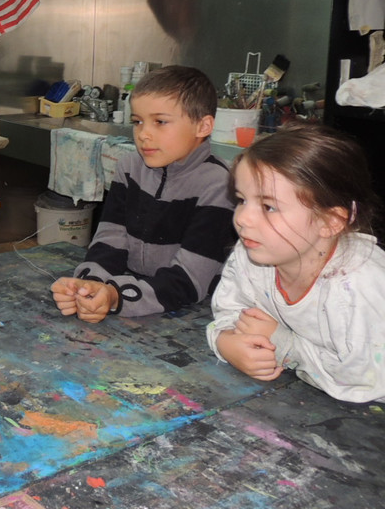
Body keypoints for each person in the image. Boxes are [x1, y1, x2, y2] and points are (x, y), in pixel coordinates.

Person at [207, 124, 385, 403]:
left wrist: (286, 346)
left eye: (268, 206)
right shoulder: (254, 251)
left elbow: (366, 381)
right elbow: (230, 309)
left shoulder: (359, 286)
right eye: (242, 200)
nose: (242, 218)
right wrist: (225, 341)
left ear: (330, 221)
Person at [51, 65, 236, 323]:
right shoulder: (130, 166)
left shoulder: (219, 185)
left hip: (195, 315)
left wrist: (114, 296)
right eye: (138, 122)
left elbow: (190, 280)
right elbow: (110, 238)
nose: (143, 134)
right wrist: (88, 286)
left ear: (203, 126)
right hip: (135, 297)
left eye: (160, 122)